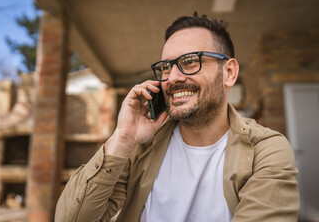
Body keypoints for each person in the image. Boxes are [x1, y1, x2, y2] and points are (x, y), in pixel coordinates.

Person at [55, 13, 299, 222]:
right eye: (166, 66)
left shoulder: (265, 151)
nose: (172, 78)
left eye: (190, 61)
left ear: (229, 72)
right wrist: (122, 139)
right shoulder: (141, 148)